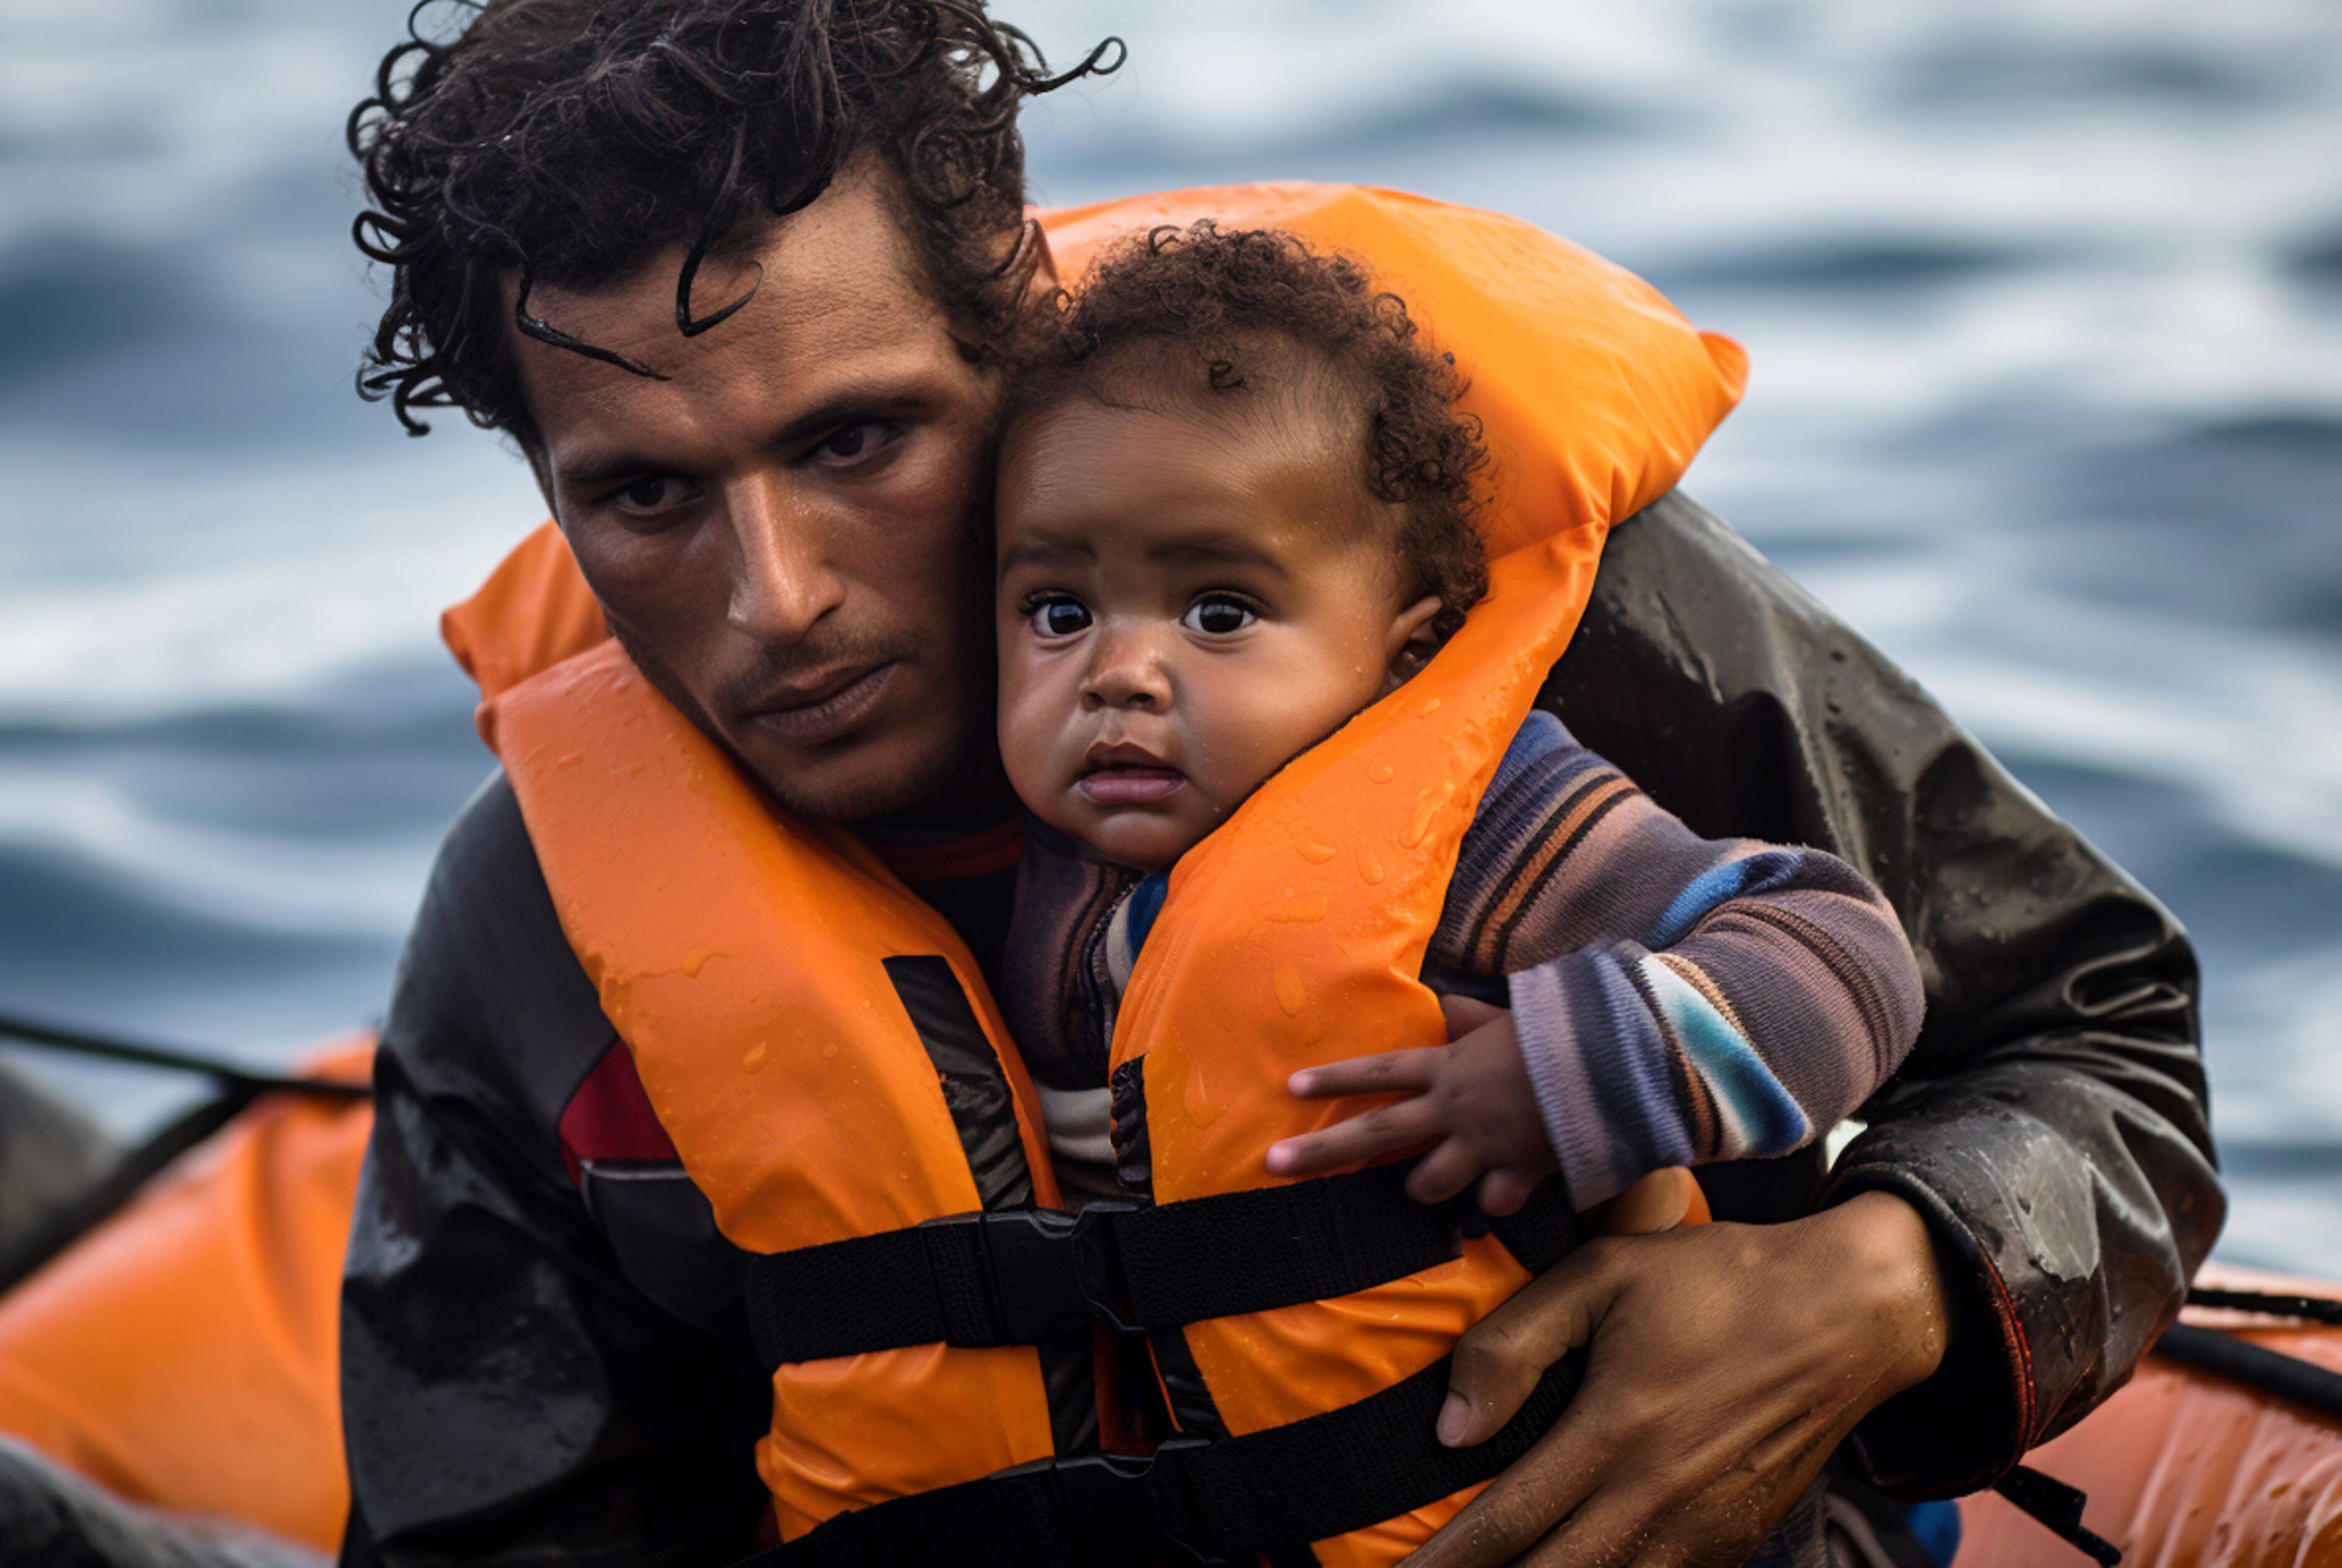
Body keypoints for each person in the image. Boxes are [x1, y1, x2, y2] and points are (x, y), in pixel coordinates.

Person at [335, 2, 2223, 1566]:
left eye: (859, 437)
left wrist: (1872, 1290)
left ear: (1013, 321)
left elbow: (2104, 1026)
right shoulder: (535, 928)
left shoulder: (1486, 618)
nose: (782, 598)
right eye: (645, 494)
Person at [989, 223, 1923, 1238]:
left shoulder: (1477, 822)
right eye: (1059, 614)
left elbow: (1846, 957)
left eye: (1221, 614)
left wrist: (1570, 1073)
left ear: (1403, 655)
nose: (1118, 676)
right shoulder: (1005, 833)